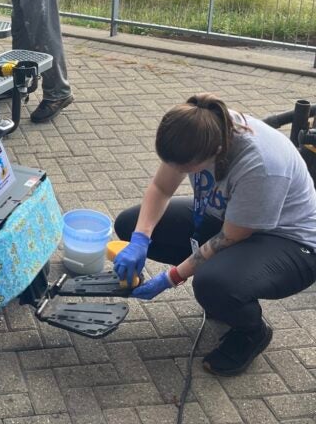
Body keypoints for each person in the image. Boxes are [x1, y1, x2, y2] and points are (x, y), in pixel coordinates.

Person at [113, 93, 316, 376]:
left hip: (290, 243)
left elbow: (230, 238)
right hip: (232, 220)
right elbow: (161, 189)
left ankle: (251, 331)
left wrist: (172, 277)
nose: (180, 172)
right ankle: (226, 294)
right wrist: (140, 240)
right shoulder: (199, 126)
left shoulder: (261, 165)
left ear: (218, 149)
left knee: (213, 283)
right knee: (130, 223)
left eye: (187, 169)